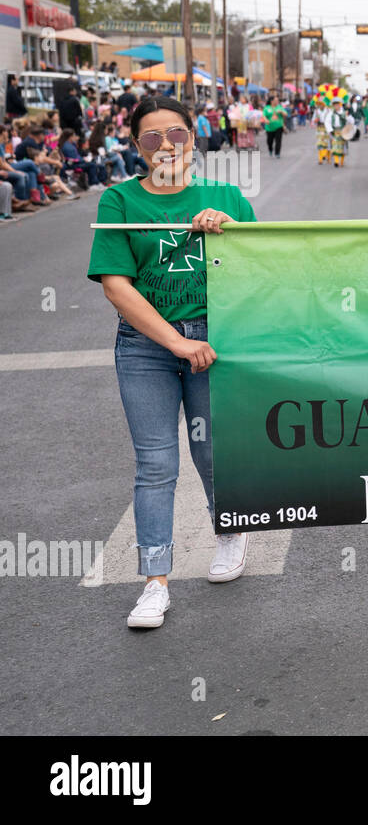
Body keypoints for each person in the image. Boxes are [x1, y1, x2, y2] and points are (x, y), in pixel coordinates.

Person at [87, 95, 258, 629]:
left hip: (216, 340)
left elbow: (264, 266)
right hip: (146, 348)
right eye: (151, 137)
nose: (166, 146)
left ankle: (229, 532)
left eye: (177, 134)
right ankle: (155, 583)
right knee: (156, 465)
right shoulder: (118, 202)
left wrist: (230, 229)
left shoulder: (226, 194)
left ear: (194, 137)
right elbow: (118, 286)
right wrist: (176, 343)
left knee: (211, 454)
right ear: (136, 146)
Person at [263, 94, 288, 159]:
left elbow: (286, 114)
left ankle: (277, 153)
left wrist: (282, 112)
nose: (277, 101)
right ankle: (270, 149)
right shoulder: (267, 108)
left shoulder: (280, 107)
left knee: (278, 140)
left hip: (279, 126)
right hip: (269, 127)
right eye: (276, 100)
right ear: (271, 101)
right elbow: (264, 115)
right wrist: (266, 120)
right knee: (269, 141)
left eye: (277, 100)